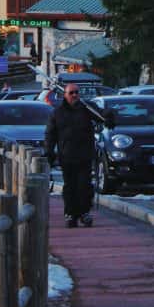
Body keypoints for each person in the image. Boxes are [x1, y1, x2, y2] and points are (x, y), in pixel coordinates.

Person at [45, 82, 101, 228]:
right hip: (67, 155)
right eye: (71, 93)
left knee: (84, 185)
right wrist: (49, 152)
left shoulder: (86, 109)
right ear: (65, 95)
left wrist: (108, 117)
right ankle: (70, 214)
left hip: (85, 155)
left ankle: (84, 213)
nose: (75, 95)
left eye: (77, 92)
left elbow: (101, 116)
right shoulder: (57, 113)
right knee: (70, 186)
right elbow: (50, 134)